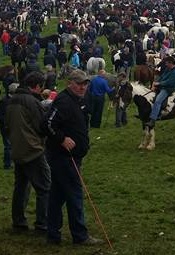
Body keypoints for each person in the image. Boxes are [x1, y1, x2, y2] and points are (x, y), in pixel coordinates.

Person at [43, 69, 102, 245]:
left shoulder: (78, 100)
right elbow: (47, 123)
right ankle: (80, 235)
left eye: (85, 84)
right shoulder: (63, 101)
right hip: (64, 158)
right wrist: (62, 139)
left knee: (57, 196)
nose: (83, 87)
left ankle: (53, 234)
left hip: (71, 156)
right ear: (70, 83)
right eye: (79, 83)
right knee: (75, 194)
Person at [5, 72, 50, 232]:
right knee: (44, 187)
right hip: (33, 150)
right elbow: (41, 126)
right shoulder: (32, 101)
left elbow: (7, 125)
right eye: (41, 86)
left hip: (16, 149)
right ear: (37, 86)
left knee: (21, 187)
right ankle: (42, 223)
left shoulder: (11, 101)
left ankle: (18, 221)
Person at [146, 56, 175, 128]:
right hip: (162, 86)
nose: (166, 65)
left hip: (168, 89)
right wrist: (155, 83)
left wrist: (159, 84)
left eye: (167, 63)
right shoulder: (168, 68)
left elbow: (169, 82)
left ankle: (153, 120)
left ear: (171, 63)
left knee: (158, 101)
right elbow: (162, 76)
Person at [0, 83, 18, 169]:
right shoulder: (6, 101)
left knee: (11, 145)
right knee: (8, 146)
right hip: (7, 127)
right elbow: (3, 115)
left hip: (9, 126)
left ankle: (10, 161)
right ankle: (7, 164)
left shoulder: (7, 99)